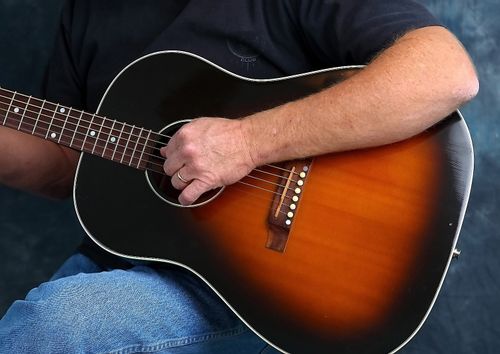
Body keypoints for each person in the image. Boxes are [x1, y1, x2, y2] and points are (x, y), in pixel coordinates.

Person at [0, 0, 478, 352]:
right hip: (126, 254)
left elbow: (442, 73)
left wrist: (249, 142)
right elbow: (69, 166)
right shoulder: (87, 12)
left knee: (49, 328)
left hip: (266, 282)